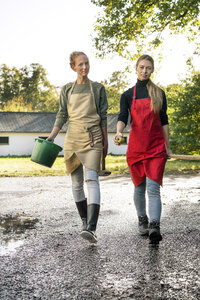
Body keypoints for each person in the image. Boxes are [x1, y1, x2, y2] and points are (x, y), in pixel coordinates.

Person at [47, 51, 108, 243]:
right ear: (73, 67)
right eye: (80, 64)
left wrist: (105, 142)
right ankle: (84, 221)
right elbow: (62, 114)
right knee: (76, 183)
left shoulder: (98, 88)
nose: (84, 67)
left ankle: (92, 226)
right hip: (72, 138)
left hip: (92, 137)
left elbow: (104, 117)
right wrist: (52, 136)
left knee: (92, 180)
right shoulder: (66, 89)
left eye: (86, 63)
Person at [114, 54, 172, 244]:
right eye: (141, 67)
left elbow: (164, 121)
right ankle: (142, 219)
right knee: (139, 187)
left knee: (153, 188)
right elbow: (123, 117)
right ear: (136, 68)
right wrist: (119, 132)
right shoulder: (127, 95)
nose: (144, 70)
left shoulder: (159, 93)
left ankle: (155, 226)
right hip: (136, 149)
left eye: (148, 67)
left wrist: (167, 147)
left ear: (152, 70)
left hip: (156, 148)